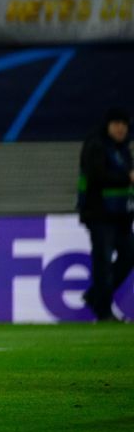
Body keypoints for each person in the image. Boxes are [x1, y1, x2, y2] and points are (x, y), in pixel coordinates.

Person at [77, 108, 134, 322]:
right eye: (116, 124)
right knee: (102, 262)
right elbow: (97, 176)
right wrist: (127, 178)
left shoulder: (122, 149)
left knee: (129, 254)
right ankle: (104, 311)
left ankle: (95, 296)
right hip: (99, 214)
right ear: (107, 126)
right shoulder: (96, 146)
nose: (121, 128)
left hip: (120, 215)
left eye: (124, 124)